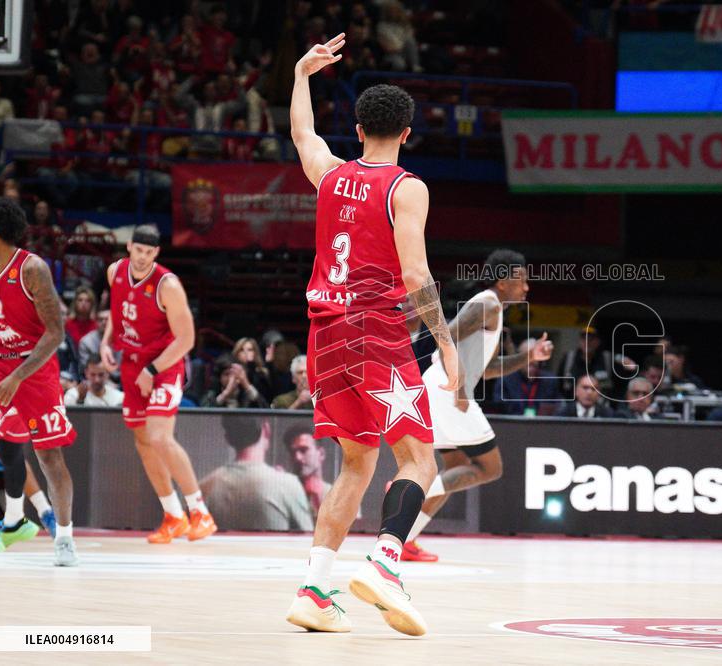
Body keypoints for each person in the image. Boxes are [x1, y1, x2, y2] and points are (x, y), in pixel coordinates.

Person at [284, 37, 461, 638]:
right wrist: (446, 342)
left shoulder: (331, 175)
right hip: (375, 330)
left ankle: (314, 589)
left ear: (358, 129)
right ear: (407, 133)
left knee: (355, 466)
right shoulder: (407, 187)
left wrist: (303, 75)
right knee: (419, 459)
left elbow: (304, 137)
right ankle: (386, 563)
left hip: (323, 334)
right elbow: (415, 275)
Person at [403, 249, 554, 563]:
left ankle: (407, 539)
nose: (526, 288)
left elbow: (488, 369)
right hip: (447, 388)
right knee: (490, 468)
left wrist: (529, 356)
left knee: (456, 463)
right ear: (503, 281)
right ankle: (406, 491)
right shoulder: (486, 303)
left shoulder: (492, 308)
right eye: (521, 280)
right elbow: (446, 338)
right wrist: (458, 388)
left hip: (440, 387)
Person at [100, 225, 217, 544]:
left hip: (165, 364)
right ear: (129, 248)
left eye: (149, 253)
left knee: (159, 437)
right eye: (138, 250)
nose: (142, 258)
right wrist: (107, 343)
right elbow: (119, 310)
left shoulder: (168, 285)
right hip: (132, 364)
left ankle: (200, 512)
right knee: (143, 441)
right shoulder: (115, 272)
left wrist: (153, 368)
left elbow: (187, 339)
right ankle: (173, 516)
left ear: (157, 254)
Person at [0, 197, 78, 565]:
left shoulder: (32, 269)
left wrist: (17, 375)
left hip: (33, 370)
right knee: (1, 444)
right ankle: (11, 519)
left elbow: (55, 333)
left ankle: (64, 537)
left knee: (49, 456)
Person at [200, 417, 314, 531]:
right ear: (266, 429)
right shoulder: (288, 485)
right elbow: (309, 539)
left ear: (227, 438)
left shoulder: (204, 488)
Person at [498, 337, 561, 416]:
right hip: (512, 425)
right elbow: (499, 409)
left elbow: (557, 408)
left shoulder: (550, 380)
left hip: (542, 425)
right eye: (526, 356)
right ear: (518, 359)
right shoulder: (505, 380)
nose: (530, 361)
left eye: (534, 356)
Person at [284, 424, 332, 513]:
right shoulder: (286, 493)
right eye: (292, 452)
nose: (297, 457)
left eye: (303, 450)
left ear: (321, 454)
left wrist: (319, 500)